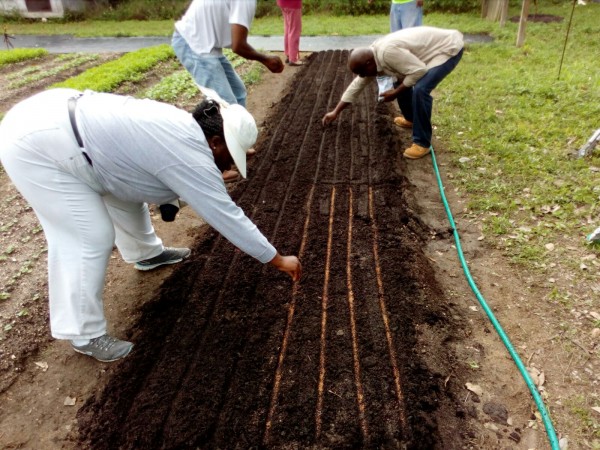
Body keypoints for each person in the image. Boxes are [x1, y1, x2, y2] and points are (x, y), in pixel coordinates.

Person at [0, 88, 302, 363]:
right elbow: (226, 215)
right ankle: (83, 333)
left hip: (67, 131)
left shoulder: (184, 131)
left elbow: (146, 179)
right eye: (230, 156)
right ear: (215, 141)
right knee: (88, 236)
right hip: (38, 145)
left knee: (124, 195)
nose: (230, 165)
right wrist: (276, 259)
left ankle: (146, 253)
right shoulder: (189, 154)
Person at [172, 0, 285, 182]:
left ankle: (235, 144)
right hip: (193, 44)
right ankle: (216, 165)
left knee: (237, 94)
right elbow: (238, 46)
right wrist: (265, 59)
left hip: (207, 46)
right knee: (220, 103)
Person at [322, 26, 464, 160]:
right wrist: (335, 111)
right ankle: (411, 119)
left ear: (368, 64)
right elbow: (357, 85)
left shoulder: (387, 53)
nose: (363, 76)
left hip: (447, 49)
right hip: (429, 52)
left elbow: (419, 71)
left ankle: (422, 143)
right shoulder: (372, 56)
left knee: (421, 89)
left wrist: (395, 93)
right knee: (400, 79)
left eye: (362, 72)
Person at [277, 0, 303, 66]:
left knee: (288, 28)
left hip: (283, 3)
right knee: (295, 30)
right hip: (293, 3)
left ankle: (289, 54)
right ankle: (293, 59)